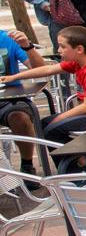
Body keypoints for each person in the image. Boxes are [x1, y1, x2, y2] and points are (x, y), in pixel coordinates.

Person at [0, 26, 86, 173]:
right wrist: (14, 77)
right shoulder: (78, 63)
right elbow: (48, 69)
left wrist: (59, 118)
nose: (58, 50)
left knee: (52, 129)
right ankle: (81, 160)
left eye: (62, 46)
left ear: (78, 49)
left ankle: (76, 172)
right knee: (43, 125)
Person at [0, 30, 47, 184]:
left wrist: (27, 46)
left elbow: (40, 70)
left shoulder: (8, 39)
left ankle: (27, 165)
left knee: (20, 117)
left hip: (10, 99)